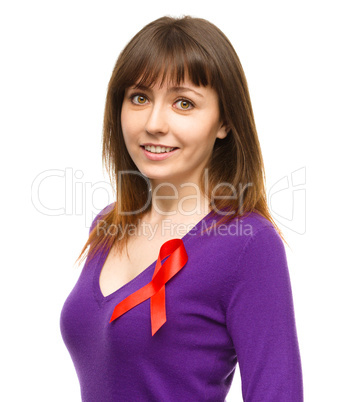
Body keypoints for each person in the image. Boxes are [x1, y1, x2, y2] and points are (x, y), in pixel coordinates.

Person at [60, 15, 303, 401]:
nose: (154, 123)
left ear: (224, 121)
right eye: (139, 97)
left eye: (184, 103)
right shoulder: (107, 224)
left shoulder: (248, 243)